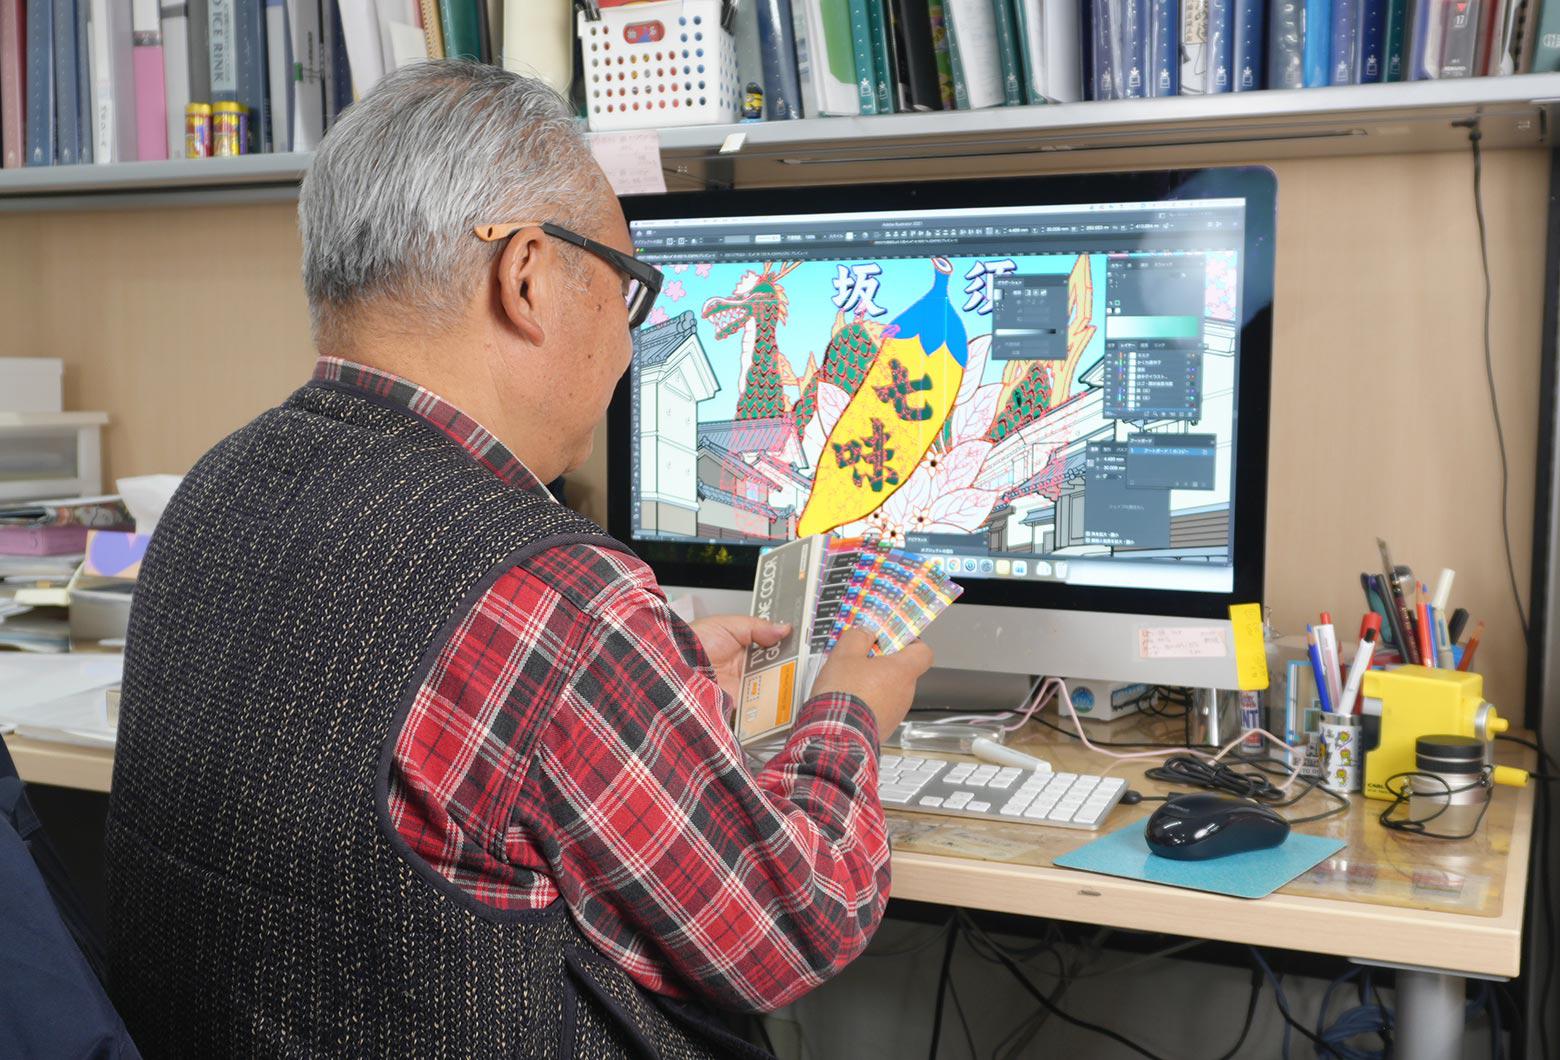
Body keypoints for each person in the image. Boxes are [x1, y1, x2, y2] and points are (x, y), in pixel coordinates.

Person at [105, 60, 932, 1058]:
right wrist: (849, 710)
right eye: (627, 291)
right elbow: (790, 928)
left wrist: (647, 686)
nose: (626, 348)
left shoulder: (214, 489)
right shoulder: (559, 604)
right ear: (528, 275)